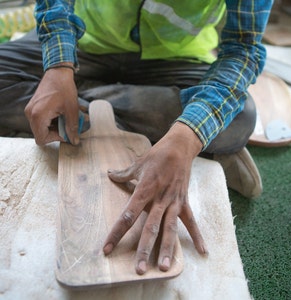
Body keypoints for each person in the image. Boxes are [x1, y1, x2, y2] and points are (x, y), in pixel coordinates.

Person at [0, 1, 273, 275]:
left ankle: (79, 100)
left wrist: (188, 134)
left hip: (175, 60)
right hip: (85, 41)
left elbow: (242, 49)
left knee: (240, 119)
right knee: (222, 122)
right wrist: (58, 66)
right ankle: (105, 103)